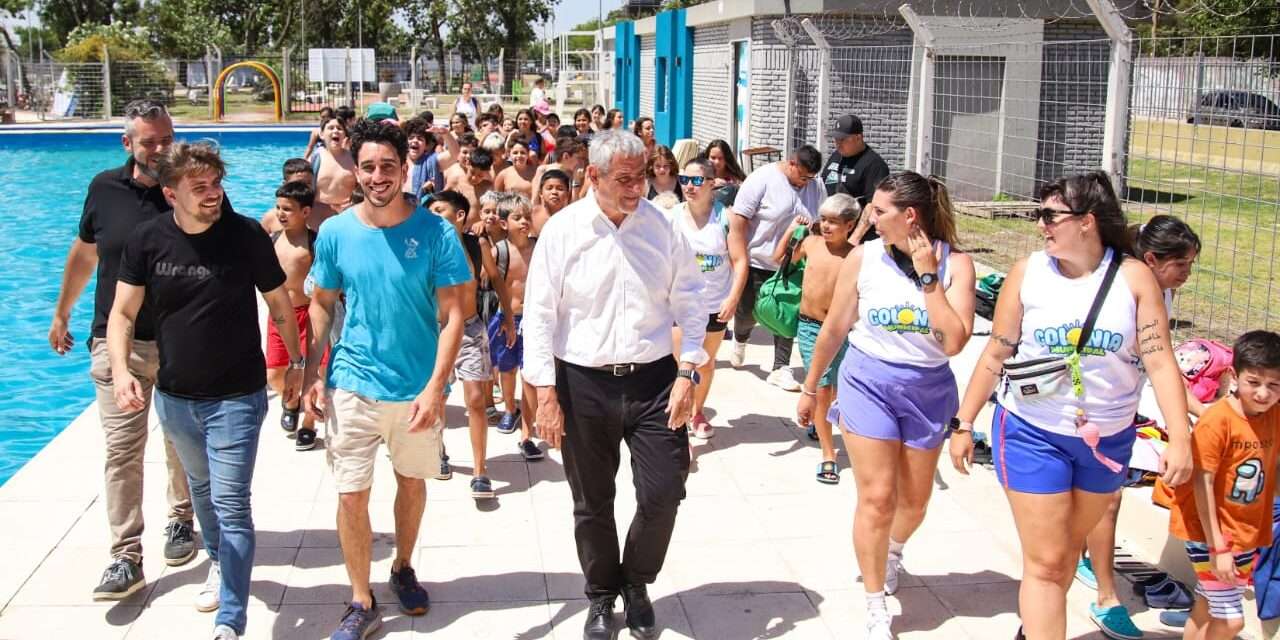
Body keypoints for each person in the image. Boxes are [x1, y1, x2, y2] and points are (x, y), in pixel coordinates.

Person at [949, 171, 1193, 640]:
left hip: (1107, 440)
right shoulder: (1027, 274)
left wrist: (1179, 438)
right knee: (1044, 562)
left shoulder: (1134, 277)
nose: (1041, 225)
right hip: (1030, 431)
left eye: (1049, 215)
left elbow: (1161, 362)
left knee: (1060, 559)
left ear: (1087, 222)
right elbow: (997, 350)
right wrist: (963, 422)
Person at [109, 141, 303, 640]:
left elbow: (279, 304)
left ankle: (230, 621)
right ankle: (219, 561)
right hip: (174, 398)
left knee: (232, 500)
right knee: (201, 491)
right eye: (201, 188)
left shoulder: (245, 237)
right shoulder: (147, 240)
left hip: (237, 395)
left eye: (217, 184)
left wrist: (299, 363)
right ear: (171, 194)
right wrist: (123, 371)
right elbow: (123, 313)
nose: (213, 194)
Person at [523, 129, 707, 640]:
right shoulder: (563, 232)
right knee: (592, 500)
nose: (637, 189)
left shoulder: (663, 227)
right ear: (594, 177)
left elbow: (691, 300)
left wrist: (689, 369)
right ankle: (602, 595)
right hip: (582, 383)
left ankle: (637, 580)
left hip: (653, 381)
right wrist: (544, 393)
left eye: (642, 176)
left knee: (665, 490)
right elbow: (538, 315)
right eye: (624, 179)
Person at [301, 120, 471, 640]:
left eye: (388, 167)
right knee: (351, 493)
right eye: (369, 166)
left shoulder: (435, 232)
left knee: (411, 482)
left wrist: (436, 388)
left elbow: (455, 316)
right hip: (352, 380)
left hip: (417, 387)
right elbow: (324, 304)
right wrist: (312, 372)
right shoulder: (334, 232)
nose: (378, 176)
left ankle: (401, 565)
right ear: (355, 168)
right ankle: (359, 599)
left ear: (405, 169)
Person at [794, 173, 975, 639]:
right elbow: (835, 326)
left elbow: (953, 341)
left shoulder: (958, 264)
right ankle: (875, 601)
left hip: (928, 389)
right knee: (876, 497)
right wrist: (811, 386)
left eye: (878, 211)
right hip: (867, 381)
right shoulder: (863, 258)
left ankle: (893, 549)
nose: (869, 219)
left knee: (913, 503)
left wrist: (930, 277)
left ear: (909, 216)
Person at [49, 99, 199, 601]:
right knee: (122, 449)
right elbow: (86, 252)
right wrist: (62, 312)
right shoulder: (103, 189)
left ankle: (181, 521)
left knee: (180, 442)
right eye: (148, 142)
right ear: (127, 143)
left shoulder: (187, 189)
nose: (158, 150)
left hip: (180, 340)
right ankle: (125, 554)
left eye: (165, 140)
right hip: (118, 343)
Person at [1075, 214, 1203, 639]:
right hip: (1085, 412)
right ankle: (1105, 596)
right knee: (1102, 501)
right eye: (1180, 265)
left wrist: (1200, 412)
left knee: (1099, 500)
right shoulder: (1118, 292)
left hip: (1117, 414)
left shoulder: (1158, 296)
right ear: (1152, 259)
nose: (1187, 274)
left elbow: (1161, 364)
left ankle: (1087, 568)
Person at [1163, 330, 1280, 640]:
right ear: (1233, 375)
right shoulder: (1217, 421)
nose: (1263, 394)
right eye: (1253, 382)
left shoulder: (1274, 416)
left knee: (1206, 609)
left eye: (1274, 385)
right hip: (1209, 533)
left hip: (1245, 532)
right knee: (1231, 622)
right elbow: (1202, 484)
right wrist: (1218, 548)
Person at [426, 189, 517, 499]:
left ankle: (480, 471)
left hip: (469, 329)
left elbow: (496, 280)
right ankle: (438, 452)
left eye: (440, 210)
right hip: (434, 332)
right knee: (436, 397)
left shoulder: (475, 244)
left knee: (476, 398)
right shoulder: (425, 246)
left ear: (460, 215)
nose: (433, 215)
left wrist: (507, 316)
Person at [777, 194, 862, 483]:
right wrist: (791, 231)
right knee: (822, 388)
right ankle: (829, 453)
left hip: (843, 331)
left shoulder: (857, 255)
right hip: (811, 328)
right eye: (823, 219)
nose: (825, 226)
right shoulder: (811, 244)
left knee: (836, 388)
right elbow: (780, 259)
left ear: (850, 225)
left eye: (834, 222)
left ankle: (820, 419)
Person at [726, 145, 825, 391]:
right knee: (749, 311)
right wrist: (738, 258)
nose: (805, 183)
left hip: (793, 263)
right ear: (791, 164)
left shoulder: (815, 185)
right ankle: (740, 338)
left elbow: (820, 221)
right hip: (758, 259)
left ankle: (780, 367)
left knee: (787, 313)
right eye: (802, 176)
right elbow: (738, 220)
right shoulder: (762, 179)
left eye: (810, 179)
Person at [668, 157, 744, 440]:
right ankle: (680, 424)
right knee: (680, 366)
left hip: (714, 305)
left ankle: (697, 411)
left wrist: (733, 298)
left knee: (705, 363)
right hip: (679, 304)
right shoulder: (671, 216)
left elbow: (740, 260)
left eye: (697, 180)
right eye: (684, 179)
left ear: (712, 183)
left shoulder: (727, 217)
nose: (689, 186)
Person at [485, 195, 545, 460]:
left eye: (527, 217)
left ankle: (527, 433)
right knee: (507, 370)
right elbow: (485, 281)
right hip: (506, 317)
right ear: (503, 223)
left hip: (534, 320)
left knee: (530, 375)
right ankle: (511, 408)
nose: (524, 222)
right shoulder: (499, 251)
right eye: (517, 217)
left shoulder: (540, 247)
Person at [267, 181, 321, 451]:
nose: (280, 213)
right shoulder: (274, 239)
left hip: (309, 315)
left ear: (306, 212)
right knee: (275, 372)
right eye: (278, 207)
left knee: (317, 370)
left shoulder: (315, 242)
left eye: (287, 209)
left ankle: (309, 423)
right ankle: (291, 401)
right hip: (279, 316)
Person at [821, 115, 891, 244]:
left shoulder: (874, 165)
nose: (837, 143)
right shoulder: (837, 155)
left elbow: (873, 205)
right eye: (835, 139)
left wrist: (855, 238)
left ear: (858, 137)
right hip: (832, 233)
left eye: (842, 139)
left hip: (855, 238)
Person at [314, 116, 358, 214]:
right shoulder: (316, 158)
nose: (335, 131)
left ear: (345, 135)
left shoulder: (353, 159)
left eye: (339, 128)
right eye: (330, 128)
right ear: (321, 134)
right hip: (319, 213)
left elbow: (362, 186)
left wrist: (354, 201)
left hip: (347, 212)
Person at [403, 117, 445, 199]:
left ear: (426, 145)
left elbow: (454, 154)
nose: (415, 140)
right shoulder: (397, 161)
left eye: (420, 138)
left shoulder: (432, 161)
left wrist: (445, 133)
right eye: (411, 137)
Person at [705, 139, 747, 207]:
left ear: (727, 159)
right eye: (713, 158)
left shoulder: (735, 178)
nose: (717, 162)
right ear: (707, 157)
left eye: (720, 158)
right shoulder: (701, 174)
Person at [531, 168, 571, 236]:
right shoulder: (531, 215)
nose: (554, 192)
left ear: (567, 193)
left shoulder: (571, 217)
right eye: (549, 188)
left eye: (560, 189)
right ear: (541, 193)